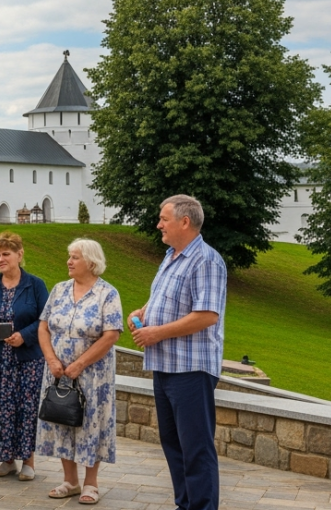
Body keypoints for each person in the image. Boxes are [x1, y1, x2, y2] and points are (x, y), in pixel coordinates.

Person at [128, 195, 227, 510]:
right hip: (165, 366)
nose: (158, 224)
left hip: (191, 369)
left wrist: (156, 332)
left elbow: (207, 315)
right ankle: (185, 505)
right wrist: (143, 312)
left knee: (196, 448)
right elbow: (162, 298)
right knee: (173, 444)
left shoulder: (206, 260)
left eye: (164, 218)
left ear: (185, 222)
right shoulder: (171, 256)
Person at [37, 238, 123, 502]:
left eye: (75, 257)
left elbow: (111, 335)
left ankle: (91, 483)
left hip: (92, 374)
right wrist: (52, 360)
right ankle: (69, 481)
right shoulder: (59, 289)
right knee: (62, 417)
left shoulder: (107, 293)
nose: (69, 261)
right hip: (58, 372)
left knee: (89, 424)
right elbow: (43, 327)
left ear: (91, 262)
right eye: (69, 256)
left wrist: (80, 364)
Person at [0, 231, 49, 482]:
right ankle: (7, 460)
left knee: (25, 409)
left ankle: (28, 461)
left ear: (19, 254)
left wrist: (24, 335)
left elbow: (46, 320)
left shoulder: (35, 285)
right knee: (0, 409)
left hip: (27, 361)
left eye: (5, 254)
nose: (0, 259)